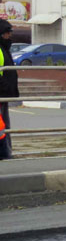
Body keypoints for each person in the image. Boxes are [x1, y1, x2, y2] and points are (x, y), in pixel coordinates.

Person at [0, 19, 19, 159]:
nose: (9, 36)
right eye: (7, 33)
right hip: (1, 93)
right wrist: (6, 87)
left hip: (4, 94)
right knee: (2, 127)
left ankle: (6, 153)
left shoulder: (4, 48)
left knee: (4, 126)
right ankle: (5, 154)